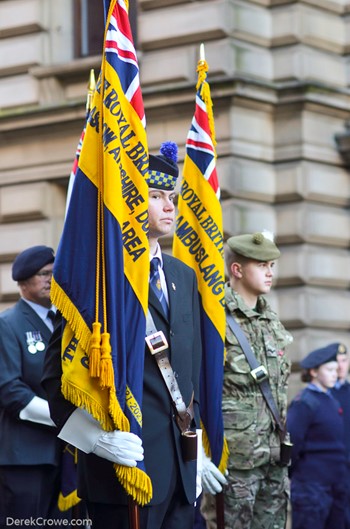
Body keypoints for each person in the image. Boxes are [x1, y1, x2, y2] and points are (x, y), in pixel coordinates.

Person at [42, 142, 202, 529]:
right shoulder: (98, 279)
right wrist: (93, 440)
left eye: (173, 197)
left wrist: (200, 450)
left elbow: (189, 369)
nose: (169, 207)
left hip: (181, 469)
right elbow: (54, 378)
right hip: (124, 467)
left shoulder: (182, 275)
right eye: (155, 195)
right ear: (130, 200)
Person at [201, 231, 293, 529]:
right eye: (261, 265)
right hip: (236, 461)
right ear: (237, 269)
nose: (270, 272)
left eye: (271, 266)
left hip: (274, 457)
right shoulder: (214, 317)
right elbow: (198, 387)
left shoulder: (271, 320)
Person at [0, 245, 67, 523]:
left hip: (66, 453)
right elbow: (10, 390)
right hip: (25, 456)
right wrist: (66, 419)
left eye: (55, 273)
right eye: (44, 274)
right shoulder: (8, 324)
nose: (52, 280)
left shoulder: (65, 321)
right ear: (23, 282)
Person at [287, 343, 347, 529]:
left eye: (336, 370)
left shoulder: (330, 399)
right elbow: (293, 443)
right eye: (329, 370)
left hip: (336, 485)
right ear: (313, 372)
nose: (335, 374)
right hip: (311, 487)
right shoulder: (304, 402)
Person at [331, 344, 350, 529]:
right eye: (336, 361)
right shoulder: (323, 394)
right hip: (331, 471)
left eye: (344, 361)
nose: (340, 366)